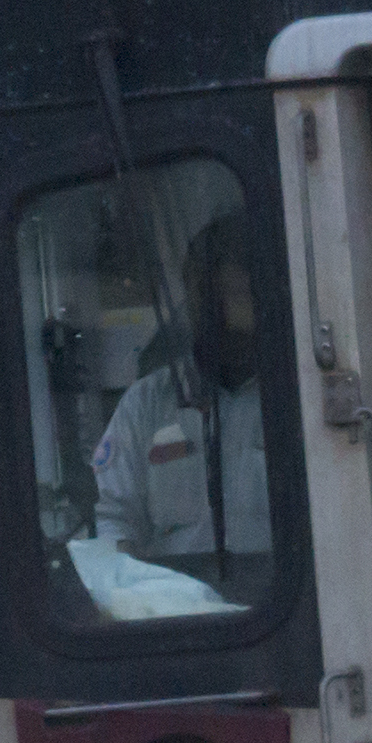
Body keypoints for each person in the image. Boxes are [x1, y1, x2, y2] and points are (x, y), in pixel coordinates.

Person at [89, 215, 275, 593]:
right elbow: (114, 522)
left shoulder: (295, 402)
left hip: (283, 598)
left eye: (234, 295)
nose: (219, 312)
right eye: (205, 294)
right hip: (176, 607)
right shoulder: (144, 405)